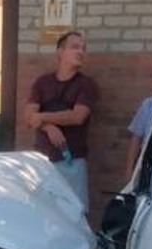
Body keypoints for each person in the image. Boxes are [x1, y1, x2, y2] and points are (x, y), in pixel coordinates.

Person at [24, 30, 100, 213]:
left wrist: (42, 117)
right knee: (42, 212)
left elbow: (77, 116)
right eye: (75, 47)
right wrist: (49, 127)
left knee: (73, 214)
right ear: (60, 52)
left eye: (83, 48)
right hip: (42, 162)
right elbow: (29, 117)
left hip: (71, 161)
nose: (80, 52)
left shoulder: (86, 85)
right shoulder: (42, 83)